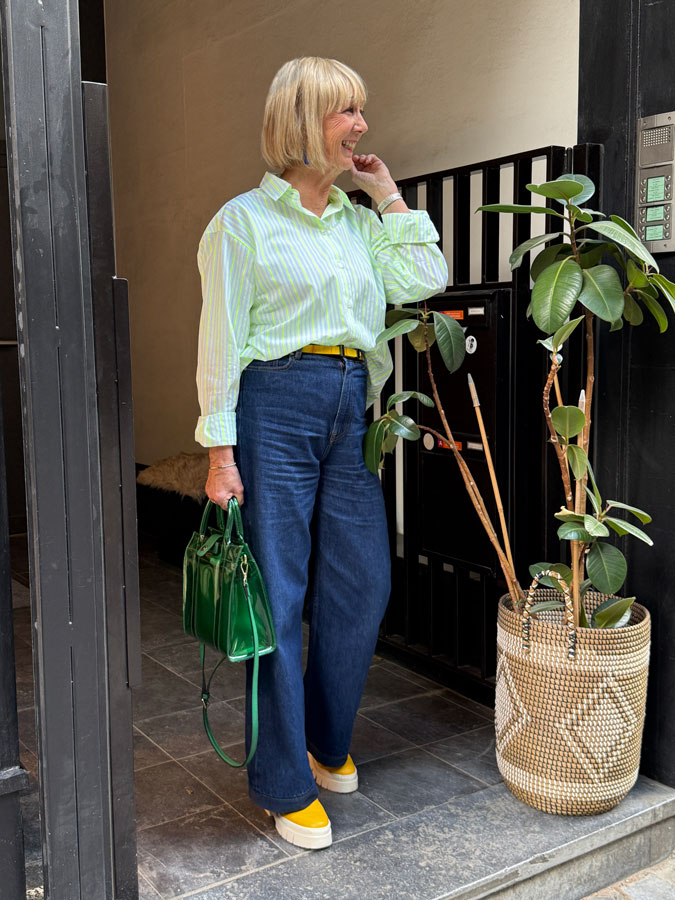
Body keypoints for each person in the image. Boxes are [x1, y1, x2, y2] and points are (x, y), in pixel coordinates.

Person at [195, 56, 448, 850]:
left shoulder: (355, 221)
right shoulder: (241, 222)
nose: (362, 127)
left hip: (350, 408)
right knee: (276, 597)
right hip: (275, 403)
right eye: (347, 113)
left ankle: (323, 736)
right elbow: (220, 344)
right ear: (303, 120)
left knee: (362, 583)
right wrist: (219, 450)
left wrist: (387, 195)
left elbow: (425, 279)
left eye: (361, 112)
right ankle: (283, 780)